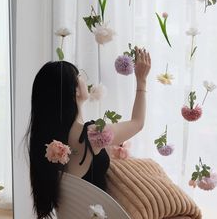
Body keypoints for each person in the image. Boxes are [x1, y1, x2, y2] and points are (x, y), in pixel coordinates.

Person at [27, 47, 151, 219]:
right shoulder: (92, 135)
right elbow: (138, 123)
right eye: (79, 76)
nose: (84, 79)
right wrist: (142, 81)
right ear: (75, 90)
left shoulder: (47, 144)